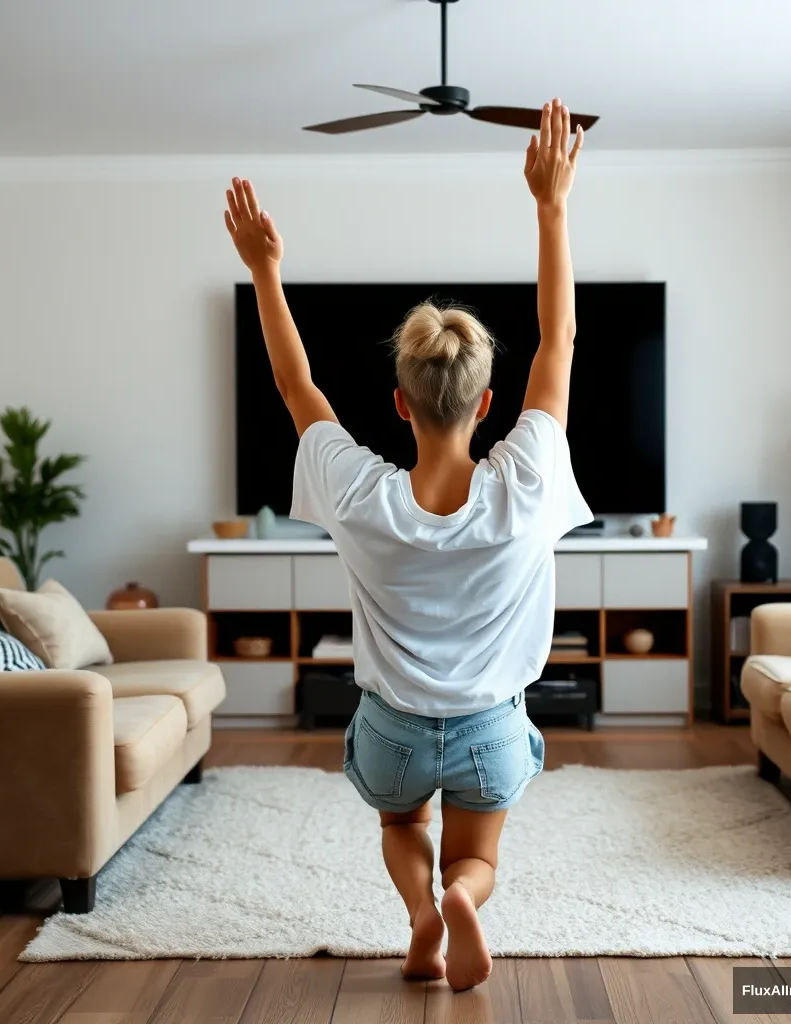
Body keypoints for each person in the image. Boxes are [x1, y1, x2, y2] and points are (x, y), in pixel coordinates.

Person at [224, 97, 591, 992]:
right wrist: (552, 206)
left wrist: (266, 271)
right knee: (482, 857)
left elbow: (293, 381)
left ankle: (421, 912)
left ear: (398, 403)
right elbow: (560, 338)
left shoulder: (358, 494)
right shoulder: (526, 483)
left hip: (392, 732)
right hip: (490, 730)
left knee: (401, 827)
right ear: (487, 404)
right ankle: (461, 897)